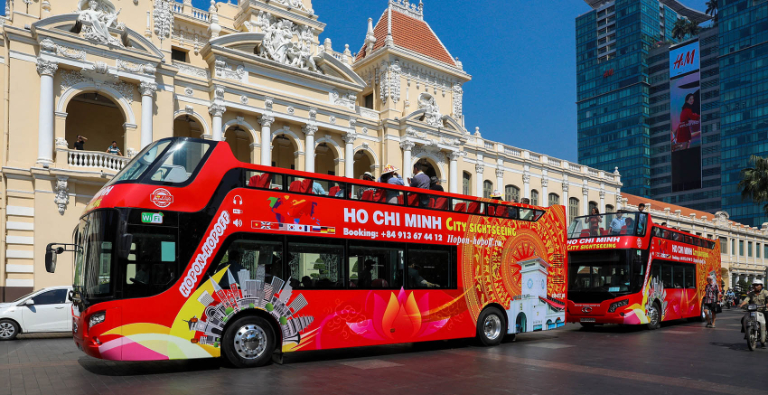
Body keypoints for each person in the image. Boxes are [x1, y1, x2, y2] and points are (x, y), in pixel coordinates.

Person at [739, 279, 768, 347]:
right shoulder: (751, 293)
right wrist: (741, 304)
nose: (755, 287)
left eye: (757, 285)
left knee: (767, 321)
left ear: (761, 286)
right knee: (743, 319)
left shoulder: (765, 292)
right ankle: (747, 333)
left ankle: (766, 334)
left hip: (763, 310)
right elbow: (746, 300)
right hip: (753, 310)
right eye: (754, 285)